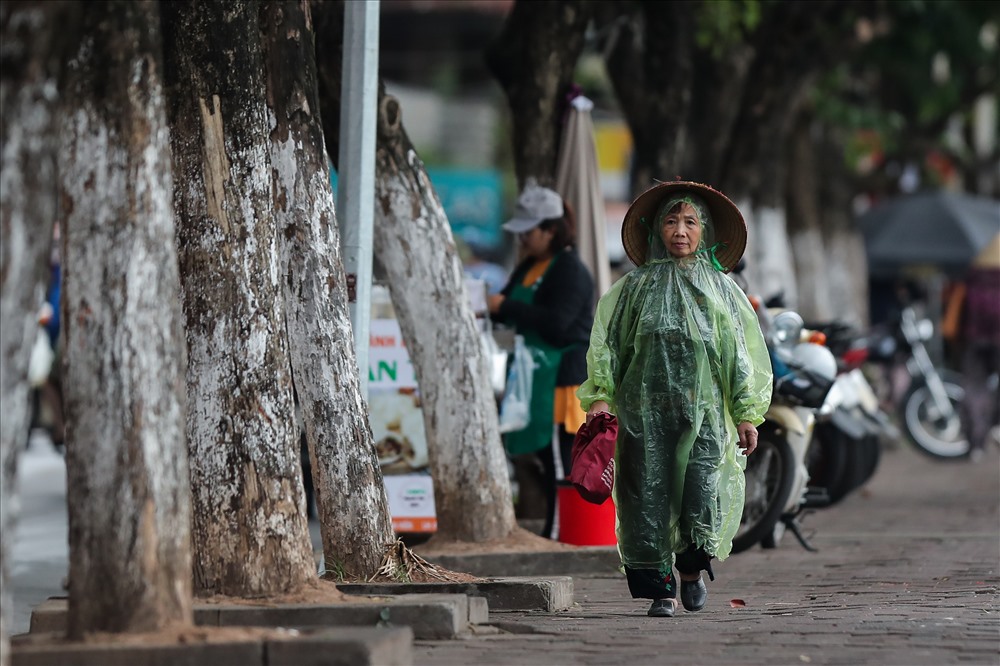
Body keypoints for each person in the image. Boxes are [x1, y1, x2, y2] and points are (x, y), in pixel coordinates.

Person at [576, 181, 772, 617]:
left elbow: (739, 355)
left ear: (704, 230)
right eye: (670, 221)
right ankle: (660, 588)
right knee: (646, 498)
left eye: (689, 222)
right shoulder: (631, 291)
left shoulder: (723, 292)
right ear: (656, 230)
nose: (679, 231)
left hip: (704, 415)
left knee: (700, 494)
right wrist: (601, 397)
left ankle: (690, 571)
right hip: (642, 417)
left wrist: (745, 414)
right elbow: (606, 345)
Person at [488, 178, 595, 539]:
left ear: (551, 230)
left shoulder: (571, 271)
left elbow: (557, 324)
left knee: (559, 461)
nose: (522, 239)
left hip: (560, 379)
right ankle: (553, 528)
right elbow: (507, 307)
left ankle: (561, 533)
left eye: (528, 232)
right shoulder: (529, 266)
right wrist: (498, 308)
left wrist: (507, 306)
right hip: (533, 377)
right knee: (539, 460)